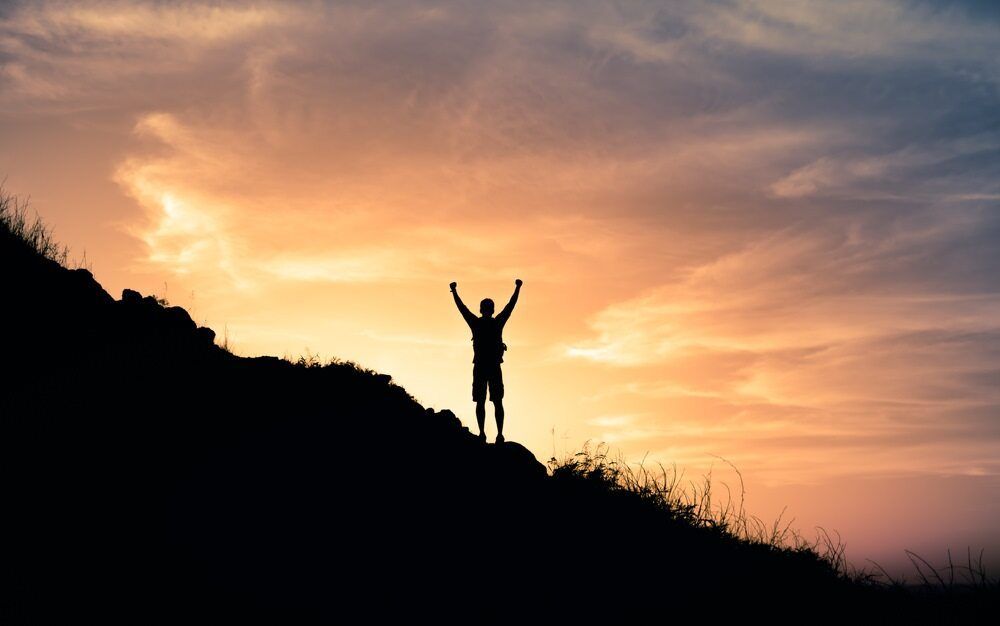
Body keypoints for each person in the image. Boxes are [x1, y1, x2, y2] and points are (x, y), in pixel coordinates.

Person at [450, 279, 522, 444]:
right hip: (493, 367)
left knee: (482, 401)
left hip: (481, 367)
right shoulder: (497, 323)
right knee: (496, 402)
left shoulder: (476, 323)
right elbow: (511, 306)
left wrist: (454, 292)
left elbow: (462, 309)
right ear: (492, 309)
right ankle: (499, 435)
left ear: (481, 309)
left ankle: (484, 434)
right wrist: (518, 288)